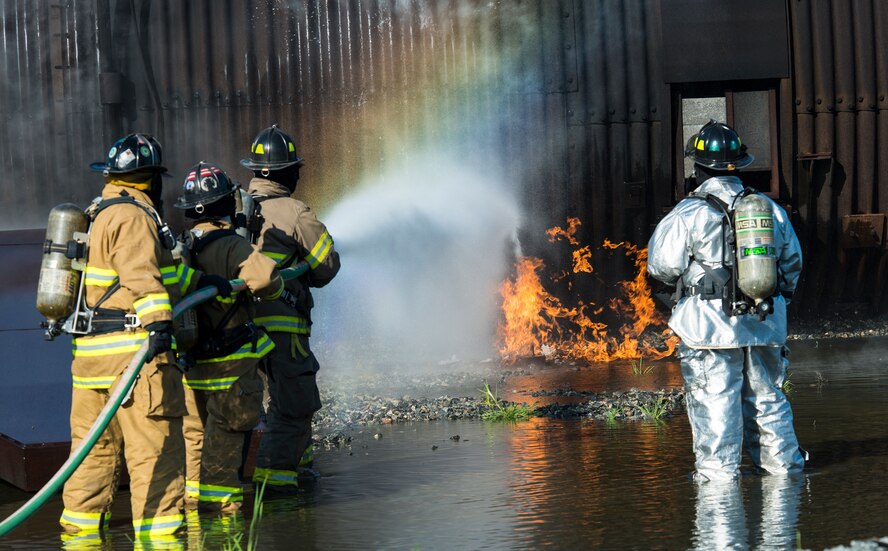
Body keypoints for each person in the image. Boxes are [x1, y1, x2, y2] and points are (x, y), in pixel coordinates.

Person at [61, 134, 231, 541]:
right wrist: (158, 326)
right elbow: (142, 276)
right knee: (154, 452)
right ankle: (160, 538)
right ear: (150, 179)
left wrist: (200, 280)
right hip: (133, 359)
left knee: (91, 455)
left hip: (91, 361)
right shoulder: (134, 216)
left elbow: (152, 275)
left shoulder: (99, 212)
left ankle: (80, 538)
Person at [647, 120, 805, 482]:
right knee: (768, 402)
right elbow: (792, 264)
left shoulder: (688, 213)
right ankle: (785, 480)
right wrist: (771, 303)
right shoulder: (768, 209)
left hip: (709, 329)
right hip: (765, 324)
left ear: (698, 167)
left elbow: (662, 266)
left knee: (715, 403)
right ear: (741, 163)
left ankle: (720, 489)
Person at [174, 162, 284, 515]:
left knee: (194, 433)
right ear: (227, 205)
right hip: (230, 362)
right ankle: (223, 512)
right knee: (226, 430)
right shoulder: (231, 246)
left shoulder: (185, 247)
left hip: (192, 362)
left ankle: (192, 501)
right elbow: (266, 280)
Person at [240, 125, 340, 493]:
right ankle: (278, 488)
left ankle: (299, 464)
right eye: (295, 168)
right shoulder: (295, 213)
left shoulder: (234, 208)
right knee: (294, 403)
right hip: (284, 331)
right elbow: (325, 267)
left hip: (239, 333)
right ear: (285, 172)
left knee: (266, 402)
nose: (298, 173)